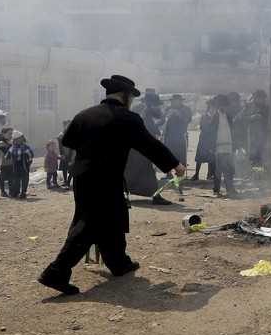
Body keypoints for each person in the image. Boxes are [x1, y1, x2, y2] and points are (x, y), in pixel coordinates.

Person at [38, 75, 184, 295]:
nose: (132, 101)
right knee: (89, 224)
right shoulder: (128, 119)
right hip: (105, 178)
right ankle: (56, 271)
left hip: (82, 176)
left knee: (113, 217)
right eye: (131, 97)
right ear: (125, 96)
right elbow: (149, 145)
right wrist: (174, 164)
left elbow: (68, 141)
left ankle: (118, 262)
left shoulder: (84, 115)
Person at [125, 92, 171, 204]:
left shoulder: (145, 113)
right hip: (139, 149)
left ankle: (155, 196)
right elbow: (149, 131)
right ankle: (156, 197)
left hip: (137, 149)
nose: (158, 107)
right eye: (156, 105)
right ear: (151, 105)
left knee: (135, 173)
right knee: (143, 174)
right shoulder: (145, 114)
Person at [211, 94, 237, 197]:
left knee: (229, 169)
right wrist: (212, 147)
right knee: (219, 170)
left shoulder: (229, 116)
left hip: (228, 147)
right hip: (219, 147)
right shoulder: (216, 116)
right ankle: (216, 190)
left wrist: (235, 145)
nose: (224, 107)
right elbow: (211, 132)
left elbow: (232, 132)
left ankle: (230, 189)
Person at [238, 90, 269, 168]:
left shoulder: (267, 108)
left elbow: (269, 121)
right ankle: (254, 173)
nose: (259, 100)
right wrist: (252, 117)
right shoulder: (249, 107)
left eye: (261, 98)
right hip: (252, 138)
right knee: (253, 157)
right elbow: (240, 118)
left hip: (264, 139)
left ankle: (260, 173)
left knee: (262, 157)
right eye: (257, 98)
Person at [192, 98, 217, 181]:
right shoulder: (204, 117)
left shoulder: (217, 117)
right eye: (212, 107)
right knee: (199, 158)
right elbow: (203, 127)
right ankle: (196, 174)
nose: (213, 109)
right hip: (204, 139)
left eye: (214, 107)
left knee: (212, 158)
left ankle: (210, 175)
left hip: (213, 139)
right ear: (209, 107)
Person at [163, 94, 192, 167]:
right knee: (168, 154)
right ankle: (168, 174)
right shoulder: (168, 109)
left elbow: (188, 120)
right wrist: (167, 115)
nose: (173, 103)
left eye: (175, 101)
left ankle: (180, 175)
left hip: (181, 135)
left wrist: (179, 114)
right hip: (169, 135)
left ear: (180, 101)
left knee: (181, 155)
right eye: (172, 101)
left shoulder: (186, 109)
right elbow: (163, 120)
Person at [8, 131, 34, 199]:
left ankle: (23, 192)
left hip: (24, 165)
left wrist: (29, 161)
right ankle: (16, 192)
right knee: (16, 179)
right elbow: (7, 156)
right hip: (15, 165)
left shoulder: (25, 147)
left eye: (20, 139)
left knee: (24, 179)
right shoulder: (12, 148)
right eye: (16, 139)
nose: (18, 140)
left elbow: (31, 155)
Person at [0, 127, 13, 197]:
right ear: (3, 134)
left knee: (11, 178)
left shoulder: (12, 142)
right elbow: (6, 151)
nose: (10, 135)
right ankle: (3, 192)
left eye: (11, 134)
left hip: (11, 163)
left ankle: (11, 191)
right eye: (9, 133)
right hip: (4, 164)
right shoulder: (1, 143)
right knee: (2, 178)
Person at [57, 120, 74, 189]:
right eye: (66, 125)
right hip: (64, 153)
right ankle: (65, 181)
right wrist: (61, 154)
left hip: (72, 153)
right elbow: (60, 145)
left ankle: (68, 181)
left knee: (72, 169)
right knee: (64, 168)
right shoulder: (61, 134)